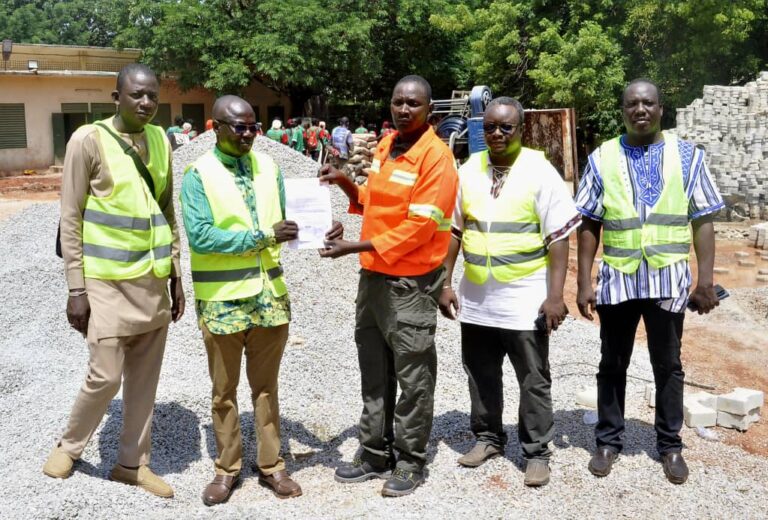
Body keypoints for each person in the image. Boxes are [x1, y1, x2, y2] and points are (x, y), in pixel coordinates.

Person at [181, 95, 343, 505]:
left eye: (254, 126)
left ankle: (272, 466)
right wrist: (262, 236)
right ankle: (226, 469)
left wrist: (323, 226)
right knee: (224, 392)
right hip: (221, 303)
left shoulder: (269, 168)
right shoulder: (197, 175)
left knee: (266, 388)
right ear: (215, 127)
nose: (250, 134)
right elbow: (201, 235)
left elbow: (291, 219)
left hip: (270, 298)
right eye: (240, 127)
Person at [44, 63, 185, 498]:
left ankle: (131, 464)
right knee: (105, 375)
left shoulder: (161, 140)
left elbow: (166, 209)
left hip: (151, 279)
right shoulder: (87, 140)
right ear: (116, 97)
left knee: (145, 380)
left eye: (152, 97)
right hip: (104, 282)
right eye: (136, 95)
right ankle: (71, 445)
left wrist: (176, 272)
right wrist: (76, 288)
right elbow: (71, 217)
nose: (146, 103)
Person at [575, 79, 724, 485]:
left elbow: (704, 219)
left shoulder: (687, 156)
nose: (640, 110)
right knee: (612, 362)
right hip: (618, 280)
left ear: (661, 108)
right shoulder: (603, 156)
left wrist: (706, 280)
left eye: (648, 103)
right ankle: (607, 441)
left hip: (668, 278)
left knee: (668, 365)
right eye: (632, 104)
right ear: (623, 110)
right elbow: (589, 221)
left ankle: (670, 445)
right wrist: (584, 281)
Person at [318, 75, 458, 497]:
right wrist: (344, 182)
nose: (403, 109)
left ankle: (411, 461)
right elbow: (376, 203)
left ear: (429, 110)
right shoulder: (386, 146)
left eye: (412, 103)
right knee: (374, 370)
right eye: (397, 101)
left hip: (410, 285)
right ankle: (375, 451)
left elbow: (420, 227)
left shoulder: (436, 158)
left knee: (414, 376)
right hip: (374, 278)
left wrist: (354, 245)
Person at [438, 97, 580, 487]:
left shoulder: (540, 171)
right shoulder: (469, 169)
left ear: (521, 129)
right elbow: (454, 230)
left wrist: (555, 295)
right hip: (479, 298)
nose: (497, 134)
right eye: (490, 128)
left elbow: (559, 238)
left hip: (524, 297)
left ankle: (536, 452)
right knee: (481, 373)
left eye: (506, 127)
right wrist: (446, 283)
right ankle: (488, 438)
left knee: (533, 377)